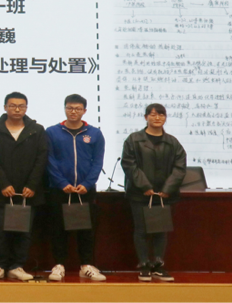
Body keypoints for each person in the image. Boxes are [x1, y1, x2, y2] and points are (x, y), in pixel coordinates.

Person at [0, 92, 48, 282]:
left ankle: (16, 266)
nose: (17, 109)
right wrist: (3, 184)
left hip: (29, 192)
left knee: (24, 231)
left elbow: (41, 158)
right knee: (0, 231)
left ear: (26, 108)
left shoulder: (36, 130)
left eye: (21, 106)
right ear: (5, 107)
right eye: (12, 105)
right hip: (2, 191)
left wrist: (32, 185)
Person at [122, 103, 187, 282]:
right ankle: (144, 265)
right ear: (146, 118)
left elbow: (180, 167)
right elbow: (129, 164)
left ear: (165, 118)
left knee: (161, 230)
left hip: (164, 196)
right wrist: (145, 186)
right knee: (141, 230)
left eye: (161, 114)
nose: (157, 118)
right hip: (140, 194)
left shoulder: (172, 142)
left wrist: (167, 189)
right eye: (152, 114)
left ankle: (158, 266)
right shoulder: (134, 139)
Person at [45, 94, 106, 282]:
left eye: (78, 109)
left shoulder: (94, 133)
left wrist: (87, 184)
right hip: (59, 190)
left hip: (84, 190)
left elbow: (97, 162)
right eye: (70, 108)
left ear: (84, 111)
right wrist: (62, 183)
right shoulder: (52, 132)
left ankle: (86, 266)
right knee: (58, 229)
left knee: (86, 230)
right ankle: (59, 265)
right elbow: (49, 160)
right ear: (65, 109)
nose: (73, 112)